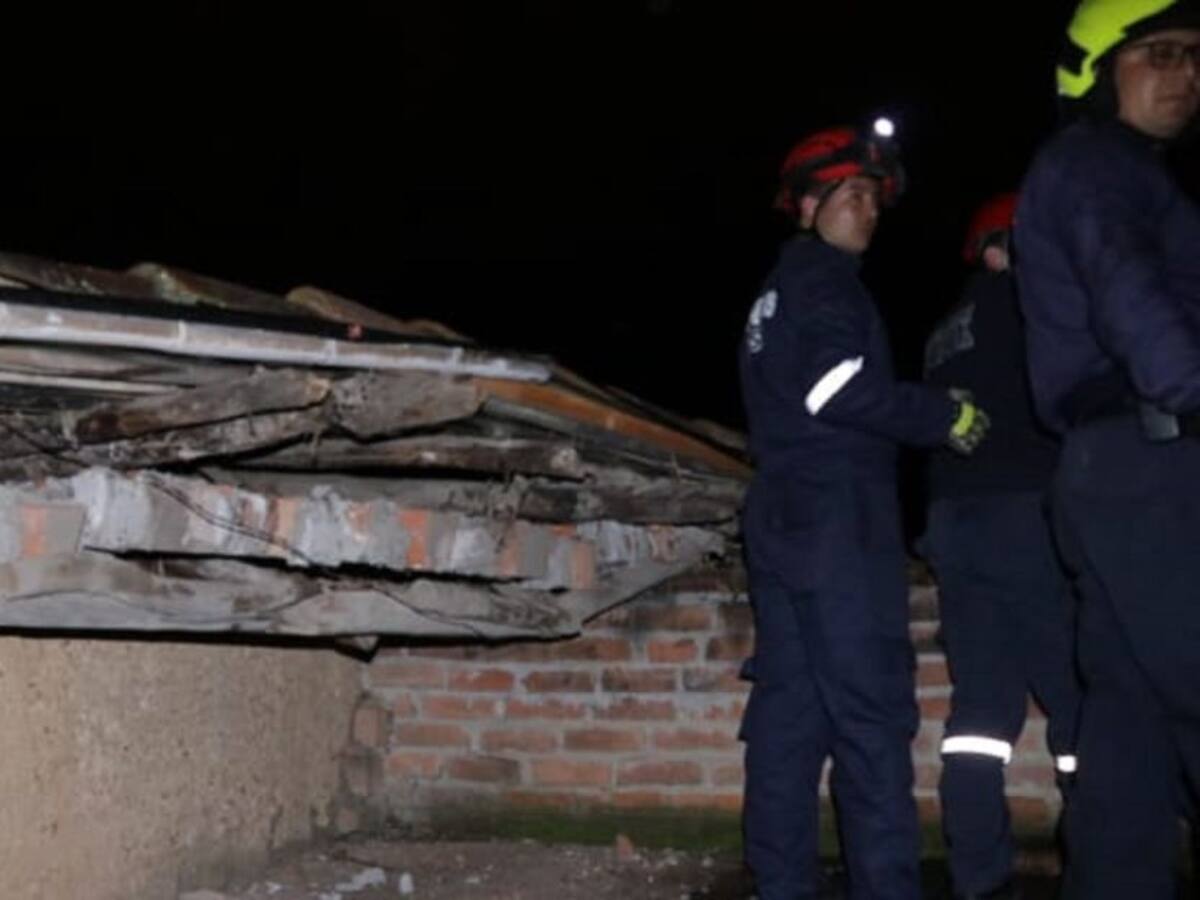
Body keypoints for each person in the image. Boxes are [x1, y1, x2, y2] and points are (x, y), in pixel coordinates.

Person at [737, 121, 989, 900]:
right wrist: (942, 415)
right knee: (872, 715)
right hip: (837, 520)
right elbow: (836, 389)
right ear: (808, 202)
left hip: (783, 515)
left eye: (876, 199)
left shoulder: (777, 291)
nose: (870, 210)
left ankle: (780, 884)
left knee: (790, 718)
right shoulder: (824, 281)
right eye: (852, 194)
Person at [1014, 1, 1200, 896]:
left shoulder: (1109, 170)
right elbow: (1129, 286)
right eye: (1159, 54)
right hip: (1154, 457)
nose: (1186, 75)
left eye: (1196, 57)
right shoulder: (1097, 164)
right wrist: (1190, 386)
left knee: (1127, 733)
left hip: (1108, 471)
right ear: (1094, 70)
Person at [922, 194, 1081, 900]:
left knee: (980, 716)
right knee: (1079, 699)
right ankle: (1101, 864)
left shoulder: (944, 330)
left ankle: (978, 877)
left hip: (956, 527)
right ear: (997, 249)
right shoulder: (1026, 309)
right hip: (1024, 517)